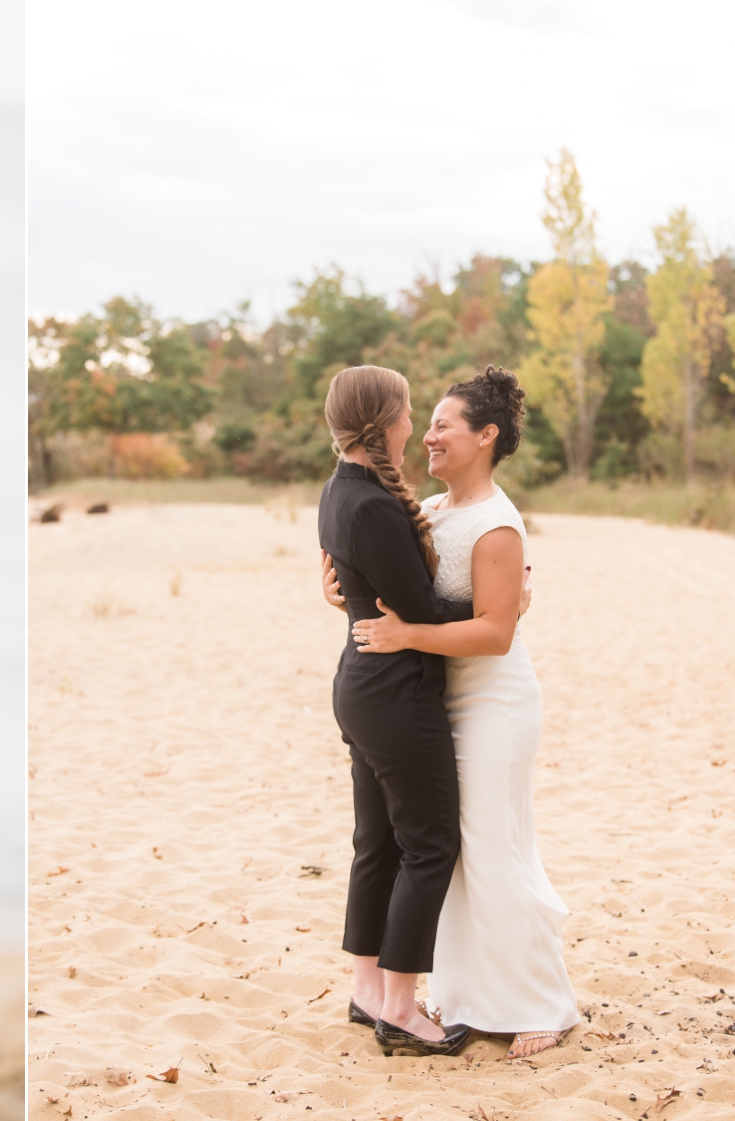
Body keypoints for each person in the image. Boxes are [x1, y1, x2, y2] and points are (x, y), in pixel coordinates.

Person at [342, 366, 577, 1059]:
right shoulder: (433, 510)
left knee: (493, 847)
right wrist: (342, 594)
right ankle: (473, 994)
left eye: (445, 423)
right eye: (429, 420)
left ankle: (543, 1002)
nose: (431, 434)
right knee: (459, 854)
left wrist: (409, 636)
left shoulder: (497, 524)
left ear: (487, 436)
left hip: (495, 703)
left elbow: (495, 632)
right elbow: (395, 596)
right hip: (439, 701)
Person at [316, 365, 476, 1057]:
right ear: (386, 422)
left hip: (362, 683)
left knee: (377, 842)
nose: (415, 423)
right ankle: (399, 1005)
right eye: (410, 410)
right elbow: (419, 608)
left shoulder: (339, 490)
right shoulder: (375, 504)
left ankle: (366, 988)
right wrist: (501, 606)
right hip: (393, 692)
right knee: (430, 843)